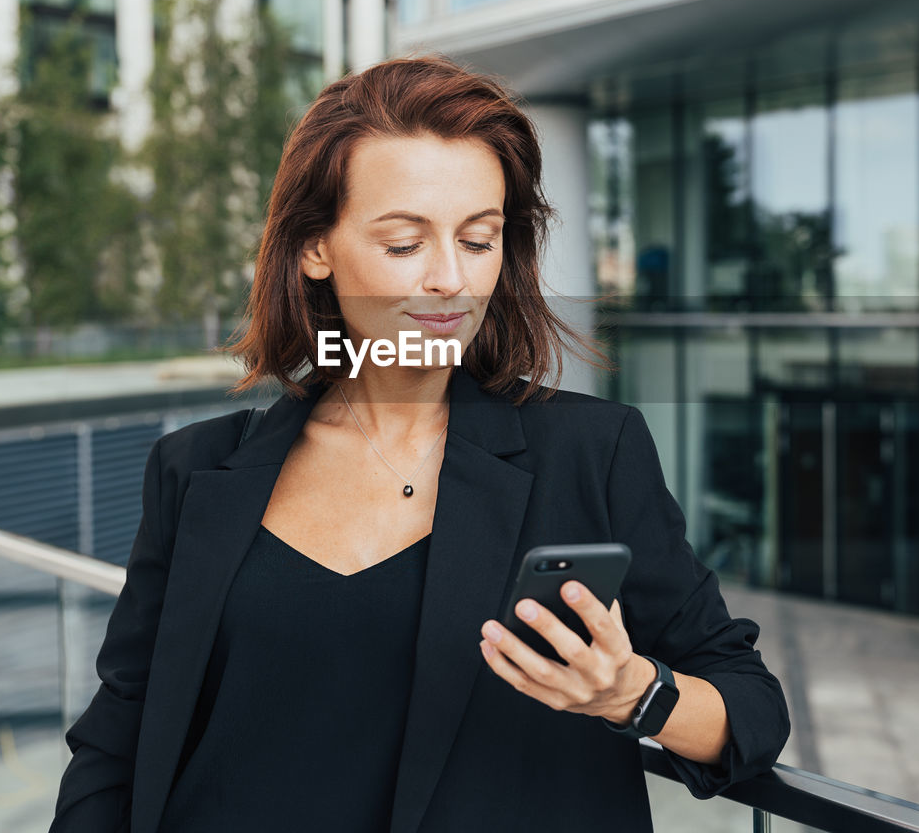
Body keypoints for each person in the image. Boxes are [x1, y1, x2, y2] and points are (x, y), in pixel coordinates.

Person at [50, 55, 789, 833]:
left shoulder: (591, 452)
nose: (449, 280)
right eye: (404, 244)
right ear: (314, 248)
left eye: (478, 240)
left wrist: (631, 693)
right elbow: (117, 736)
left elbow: (751, 707)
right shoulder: (196, 470)